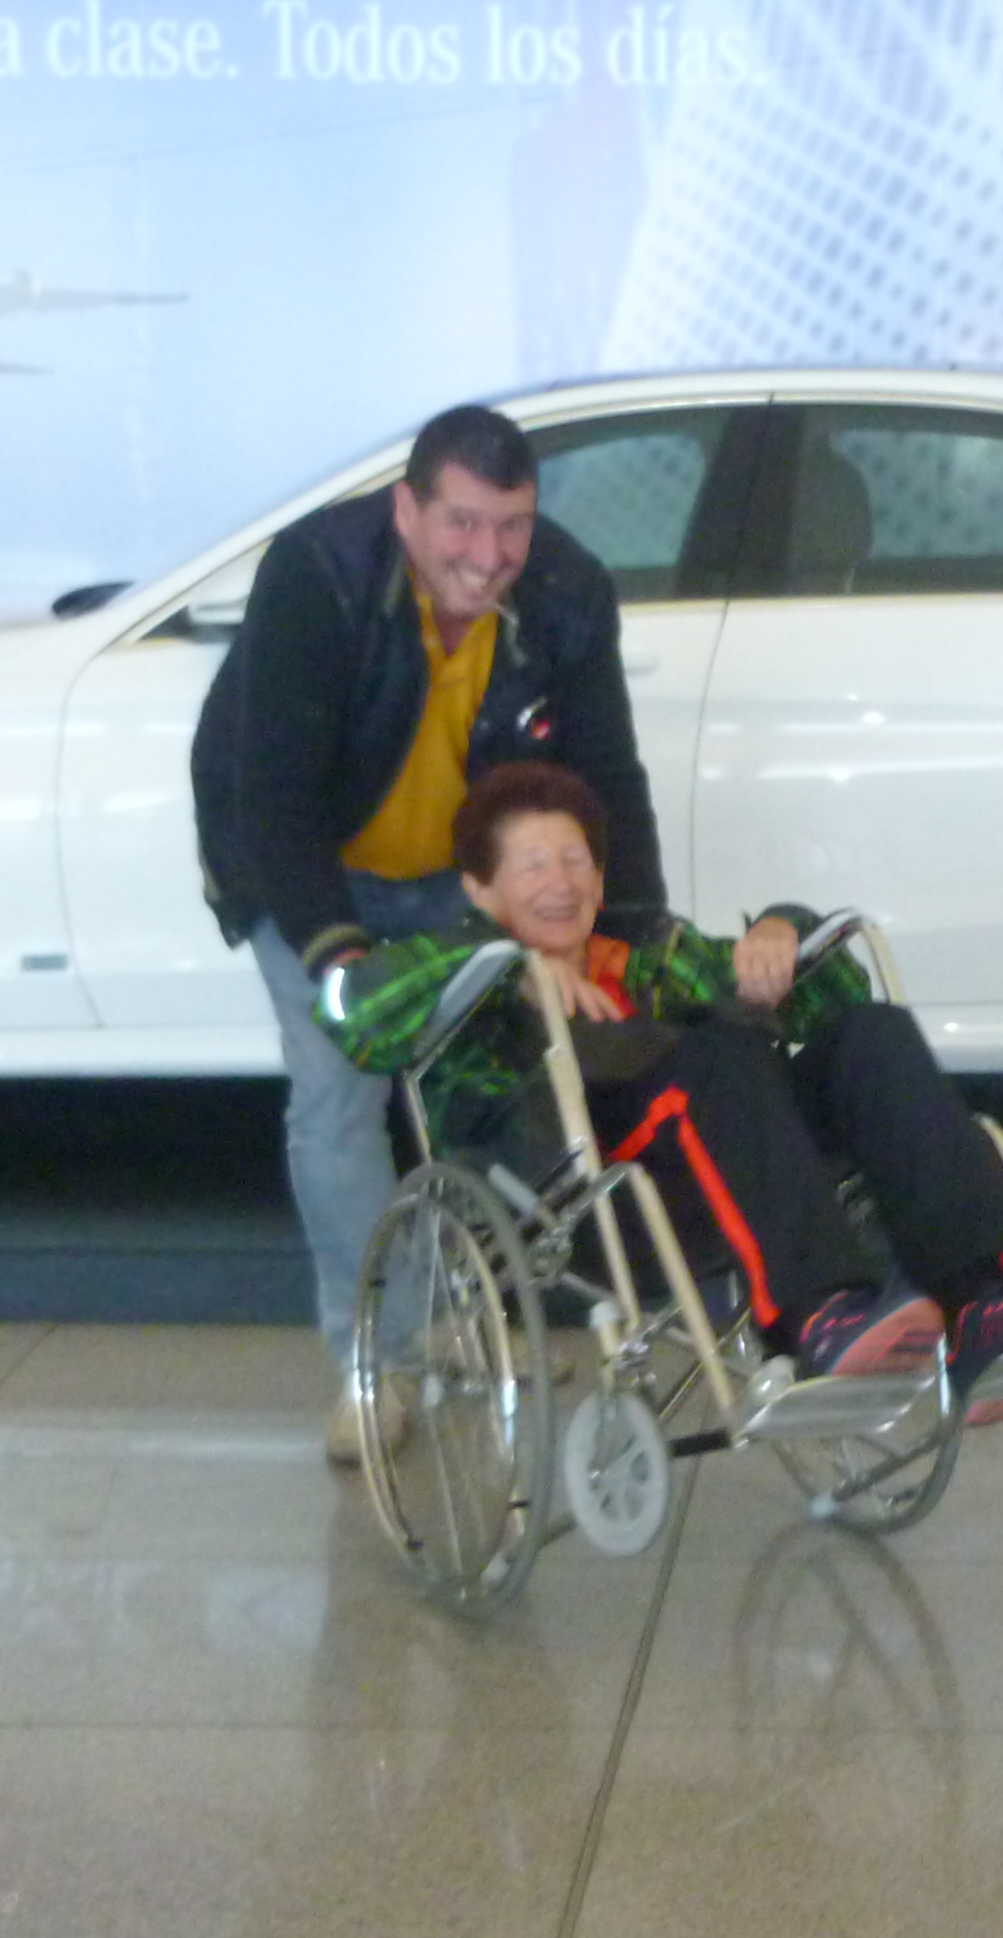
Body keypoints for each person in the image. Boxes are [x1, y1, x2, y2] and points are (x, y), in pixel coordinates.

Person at [188, 402, 697, 1431]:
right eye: (463, 522)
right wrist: (339, 956)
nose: (490, 554)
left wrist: (627, 930)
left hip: (456, 877)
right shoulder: (319, 574)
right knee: (339, 1092)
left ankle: (453, 1308)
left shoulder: (567, 590)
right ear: (407, 512)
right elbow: (273, 798)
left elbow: (606, 776)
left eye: (513, 525)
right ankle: (376, 1364)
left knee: (492, 1072)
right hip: (302, 864)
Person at [319, 762, 1003, 1408]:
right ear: (480, 890)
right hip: (583, 1190)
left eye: (576, 860)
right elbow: (353, 1015)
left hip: (732, 1156)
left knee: (870, 1033)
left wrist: (782, 928)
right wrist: (502, 969)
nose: (560, 881)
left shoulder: (647, 957)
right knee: (719, 1054)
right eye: (532, 865)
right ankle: (817, 1318)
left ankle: (985, 1303)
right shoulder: (454, 971)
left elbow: (831, 996)